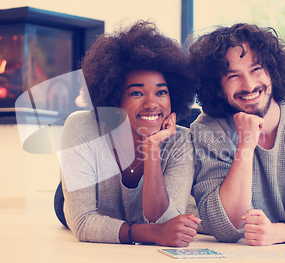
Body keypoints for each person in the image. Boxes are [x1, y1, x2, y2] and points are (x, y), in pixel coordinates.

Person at [188, 23, 285, 246]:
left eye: (256, 69)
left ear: (272, 70)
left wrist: (279, 232)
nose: (249, 85)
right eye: (233, 76)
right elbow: (226, 226)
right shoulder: (207, 129)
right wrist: (245, 145)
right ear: (218, 88)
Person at [56, 21, 200, 247]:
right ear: (114, 99)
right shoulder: (80, 127)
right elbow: (83, 222)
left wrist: (153, 149)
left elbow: (167, 224)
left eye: (161, 91)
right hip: (96, 199)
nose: (152, 104)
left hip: (135, 209)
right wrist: (150, 233)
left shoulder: (181, 141)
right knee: (66, 208)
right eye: (137, 93)